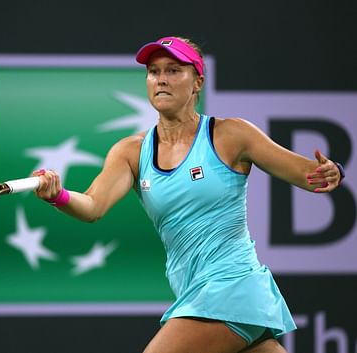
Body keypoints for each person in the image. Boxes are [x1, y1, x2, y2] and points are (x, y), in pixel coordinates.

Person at [32, 36, 345, 353]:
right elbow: (92, 206)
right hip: (198, 293)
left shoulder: (231, 135)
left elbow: (309, 175)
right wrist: (58, 195)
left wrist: (331, 171)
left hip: (233, 288)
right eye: (153, 72)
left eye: (173, 70)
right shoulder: (130, 151)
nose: (161, 79)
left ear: (197, 82)